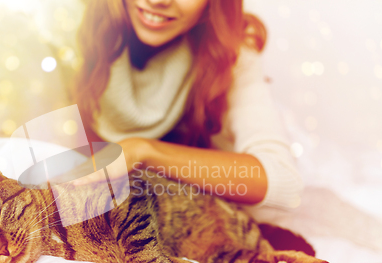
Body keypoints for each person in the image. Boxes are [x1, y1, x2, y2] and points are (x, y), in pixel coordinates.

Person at [69, 0, 303, 209]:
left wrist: (141, 151)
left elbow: (282, 180)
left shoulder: (230, 54)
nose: (157, 1)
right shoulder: (71, 30)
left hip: (216, 227)